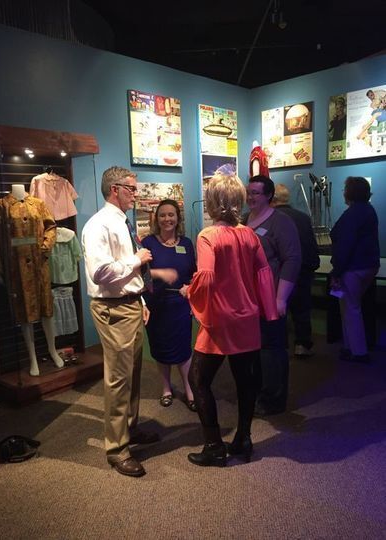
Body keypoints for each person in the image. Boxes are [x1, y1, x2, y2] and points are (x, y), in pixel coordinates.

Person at [81, 166, 177, 478]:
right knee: (119, 380)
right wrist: (138, 259)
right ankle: (117, 449)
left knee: (132, 374)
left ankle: (129, 429)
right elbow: (101, 272)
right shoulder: (98, 226)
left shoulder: (121, 222)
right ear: (115, 189)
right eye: (132, 189)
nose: (136, 194)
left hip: (129, 305)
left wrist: (140, 300)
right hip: (113, 308)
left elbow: (125, 274)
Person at [183, 173, 277, 467]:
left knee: (197, 379)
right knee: (246, 382)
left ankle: (213, 446)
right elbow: (264, 273)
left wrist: (190, 292)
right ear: (238, 201)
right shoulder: (250, 234)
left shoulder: (208, 236)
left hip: (218, 322)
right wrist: (269, 309)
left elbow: (207, 276)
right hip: (246, 318)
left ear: (211, 201)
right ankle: (243, 440)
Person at [0, 183, 64, 376]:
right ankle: (32, 358)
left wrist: (46, 246)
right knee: (24, 312)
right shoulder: (1, 205)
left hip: (40, 264)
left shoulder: (38, 204)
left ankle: (52, 350)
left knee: (47, 309)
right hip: (17, 267)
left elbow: (51, 227)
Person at [243, 175, 301, 416]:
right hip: (251, 299)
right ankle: (259, 392)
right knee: (256, 348)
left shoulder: (282, 222)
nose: (251, 197)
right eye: (249, 192)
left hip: (271, 297)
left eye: (256, 192)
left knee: (272, 349)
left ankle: (274, 400)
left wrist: (280, 298)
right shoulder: (247, 220)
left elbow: (293, 260)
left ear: (269, 195)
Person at [141, 199, 197, 411]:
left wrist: (190, 287)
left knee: (184, 348)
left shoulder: (187, 243)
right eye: (162, 215)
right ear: (157, 218)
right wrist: (159, 274)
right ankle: (166, 388)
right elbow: (141, 275)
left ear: (178, 217)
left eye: (171, 215)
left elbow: (194, 274)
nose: (167, 219)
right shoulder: (148, 243)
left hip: (180, 305)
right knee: (160, 348)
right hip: (156, 305)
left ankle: (189, 389)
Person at [330, 177, 380, 363]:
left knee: (351, 309)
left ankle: (358, 351)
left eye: (345, 188)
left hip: (353, 267)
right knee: (350, 306)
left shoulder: (352, 214)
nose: (343, 191)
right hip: (368, 265)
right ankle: (350, 346)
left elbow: (345, 244)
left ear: (350, 192)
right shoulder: (368, 210)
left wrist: (336, 271)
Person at [272, 183, 320, 356]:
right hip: (302, 272)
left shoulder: (270, 218)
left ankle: (280, 346)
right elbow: (310, 246)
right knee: (302, 309)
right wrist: (312, 266)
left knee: (278, 310)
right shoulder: (303, 217)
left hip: (278, 273)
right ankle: (302, 345)